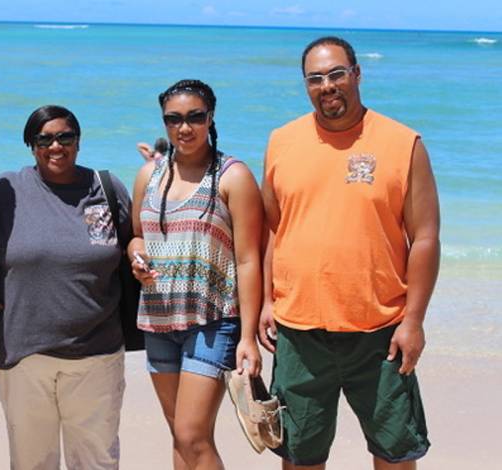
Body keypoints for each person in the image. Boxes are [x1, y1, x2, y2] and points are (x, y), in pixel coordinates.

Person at [259, 36, 440, 470]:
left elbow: (427, 237)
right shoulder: (282, 141)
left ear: (357, 74)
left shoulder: (402, 143)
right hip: (299, 331)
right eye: (316, 78)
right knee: (301, 458)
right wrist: (267, 301)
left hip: (381, 332)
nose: (328, 86)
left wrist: (413, 321)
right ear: (306, 85)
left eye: (337, 74)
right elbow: (272, 230)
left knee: (395, 454)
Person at [129, 79, 264, 470]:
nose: (183, 128)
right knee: (180, 435)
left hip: (213, 321)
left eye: (194, 117)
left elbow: (248, 260)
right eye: (173, 119)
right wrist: (137, 256)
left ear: (211, 118)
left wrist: (249, 336)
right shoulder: (149, 175)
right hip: (157, 319)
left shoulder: (232, 176)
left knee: (192, 434)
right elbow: (136, 236)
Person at [0, 105, 131, 470]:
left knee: (97, 462)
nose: (56, 146)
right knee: (32, 462)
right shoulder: (6, 191)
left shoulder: (106, 187)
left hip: (97, 355)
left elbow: (134, 247)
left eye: (65, 137)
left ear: (78, 142)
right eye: (44, 139)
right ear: (30, 145)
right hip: (23, 356)